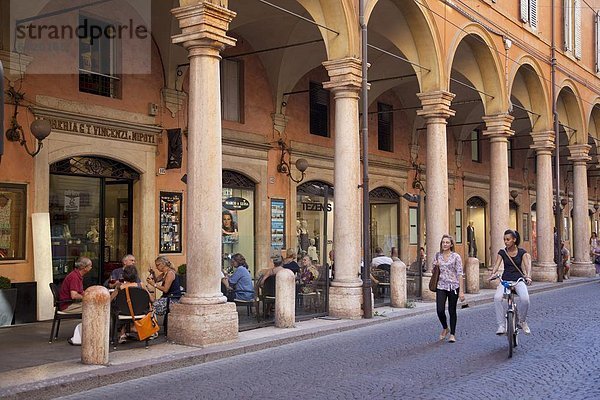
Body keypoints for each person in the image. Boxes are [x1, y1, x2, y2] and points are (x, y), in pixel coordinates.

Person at [489, 229, 532, 335]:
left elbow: (527, 266)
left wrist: (528, 276)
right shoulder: (502, 252)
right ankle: (501, 326)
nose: (506, 242)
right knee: (497, 298)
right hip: (505, 280)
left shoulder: (522, 252)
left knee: (525, 299)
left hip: (518, 280)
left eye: (508, 239)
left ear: (514, 240)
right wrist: (492, 274)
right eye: (504, 239)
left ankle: (522, 321)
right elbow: (496, 264)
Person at [432, 235, 464, 343]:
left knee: (452, 310)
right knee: (439, 310)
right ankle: (445, 327)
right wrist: (435, 266)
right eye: (443, 242)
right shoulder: (437, 256)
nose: (445, 244)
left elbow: (460, 274)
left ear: (451, 244)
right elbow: (433, 272)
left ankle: (452, 334)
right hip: (441, 285)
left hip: (453, 286)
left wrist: (462, 291)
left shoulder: (456, 257)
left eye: (447, 242)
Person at [110, 265, 148, 343]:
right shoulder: (141, 285)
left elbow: (110, 299)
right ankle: (133, 328)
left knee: (120, 308)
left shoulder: (119, 287)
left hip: (123, 312)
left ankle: (122, 333)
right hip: (139, 312)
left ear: (124, 275)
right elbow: (152, 299)